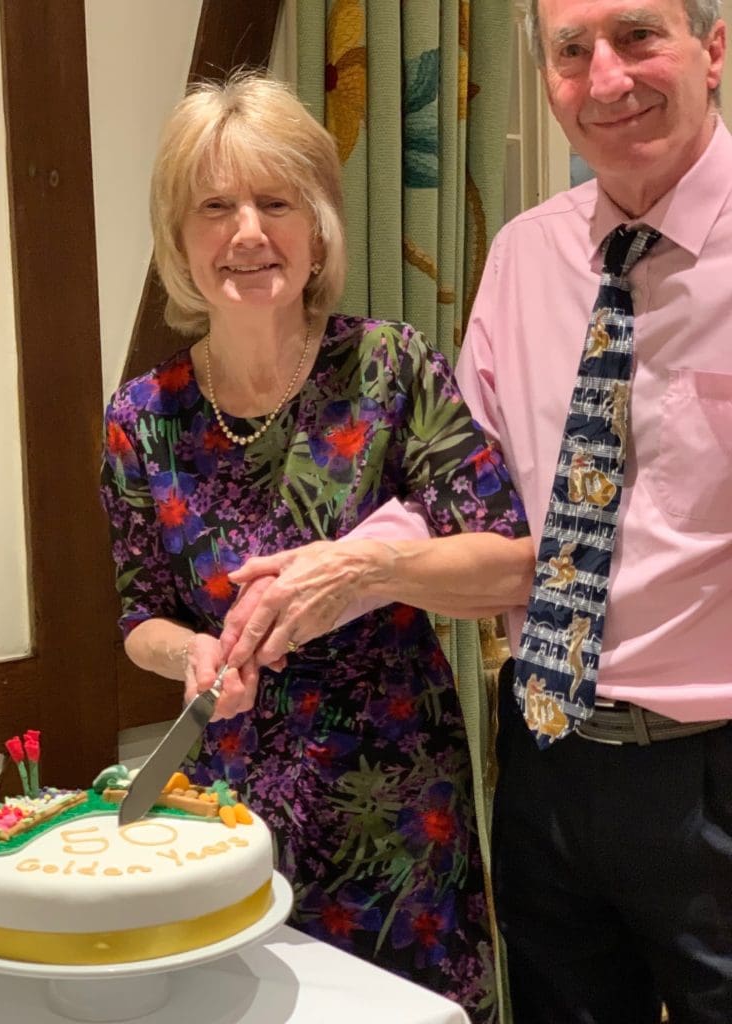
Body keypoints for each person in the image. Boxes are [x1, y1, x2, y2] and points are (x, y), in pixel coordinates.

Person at [223, 3, 732, 1021]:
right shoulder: (524, 255)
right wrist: (344, 567)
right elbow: (460, 492)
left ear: (713, 49)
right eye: (571, 51)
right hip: (546, 760)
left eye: (639, 37)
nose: (606, 79)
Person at [100, 74, 533, 1018]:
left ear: (320, 225)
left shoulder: (389, 368)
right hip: (229, 812)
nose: (249, 232)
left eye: (276, 200)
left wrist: (369, 567)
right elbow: (139, 612)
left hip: (395, 809)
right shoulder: (143, 417)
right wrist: (194, 652)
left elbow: (511, 559)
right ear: (180, 236)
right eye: (216, 206)